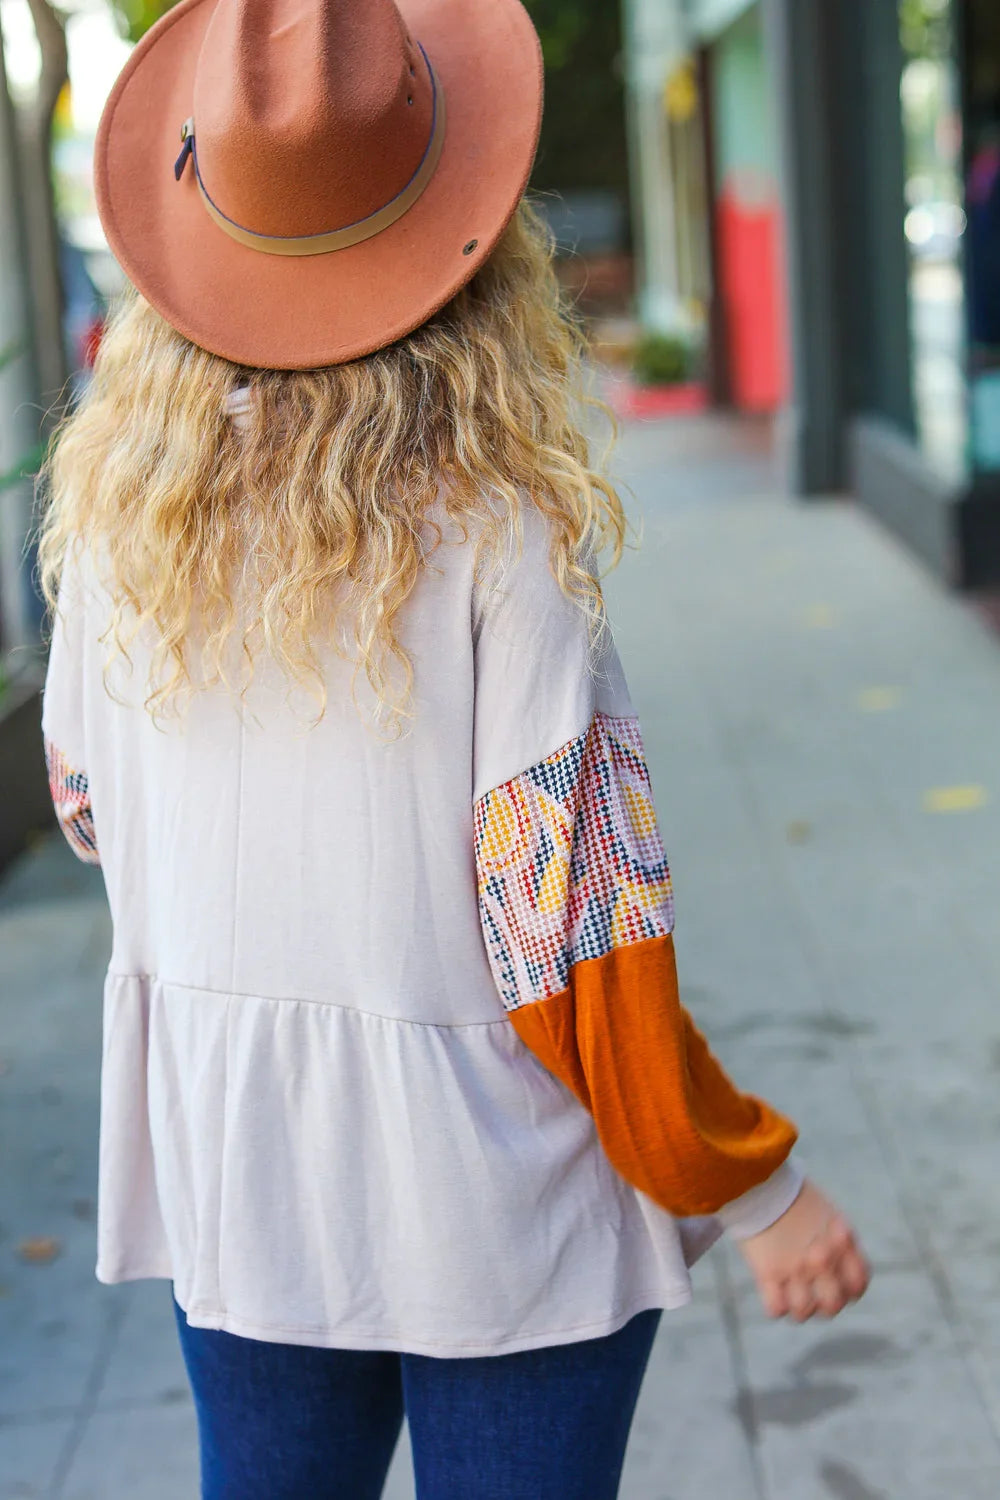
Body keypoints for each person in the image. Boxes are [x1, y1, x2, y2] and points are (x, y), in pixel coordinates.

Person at [37, 1, 869, 1496]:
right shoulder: (504, 540)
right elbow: (577, 942)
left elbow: (88, 809)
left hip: (240, 1184)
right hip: (495, 1202)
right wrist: (754, 1188)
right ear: (470, 247)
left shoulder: (109, 531)